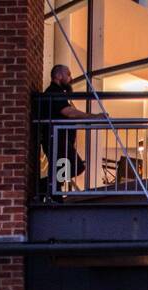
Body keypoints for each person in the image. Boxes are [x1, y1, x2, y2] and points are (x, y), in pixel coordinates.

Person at [38, 65, 105, 195]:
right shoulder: (54, 92)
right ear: (58, 76)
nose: (71, 78)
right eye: (68, 74)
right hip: (57, 140)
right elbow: (69, 112)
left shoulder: (57, 93)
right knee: (75, 167)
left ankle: (52, 194)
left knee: (61, 170)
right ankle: (42, 188)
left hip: (59, 140)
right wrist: (93, 117)